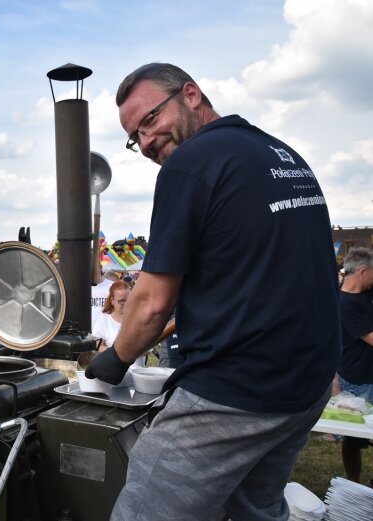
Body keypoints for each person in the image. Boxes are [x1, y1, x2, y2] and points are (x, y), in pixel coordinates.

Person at [86, 63, 340, 521]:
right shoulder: (280, 154)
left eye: (149, 120)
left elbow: (152, 301)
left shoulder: (191, 164)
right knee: (254, 509)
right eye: (134, 136)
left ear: (192, 94)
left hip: (238, 389)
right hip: (307, 383)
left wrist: (114, 358)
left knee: (144, 510)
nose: (145, 142)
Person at [336, 247, 373, 485]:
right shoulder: (345, 303)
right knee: (354, 439)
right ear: (362, 272)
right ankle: (353, 485)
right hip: (359, 380)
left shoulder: (367, 291)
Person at [91, 281, 130, 352]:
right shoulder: (104, 319)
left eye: (128, 300)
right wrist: (116, 353)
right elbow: (98, 345)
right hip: (115, 362)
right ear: (112, 300)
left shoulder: (137, 317)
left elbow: (147, 349)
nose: (126, 304)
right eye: (122, 301)